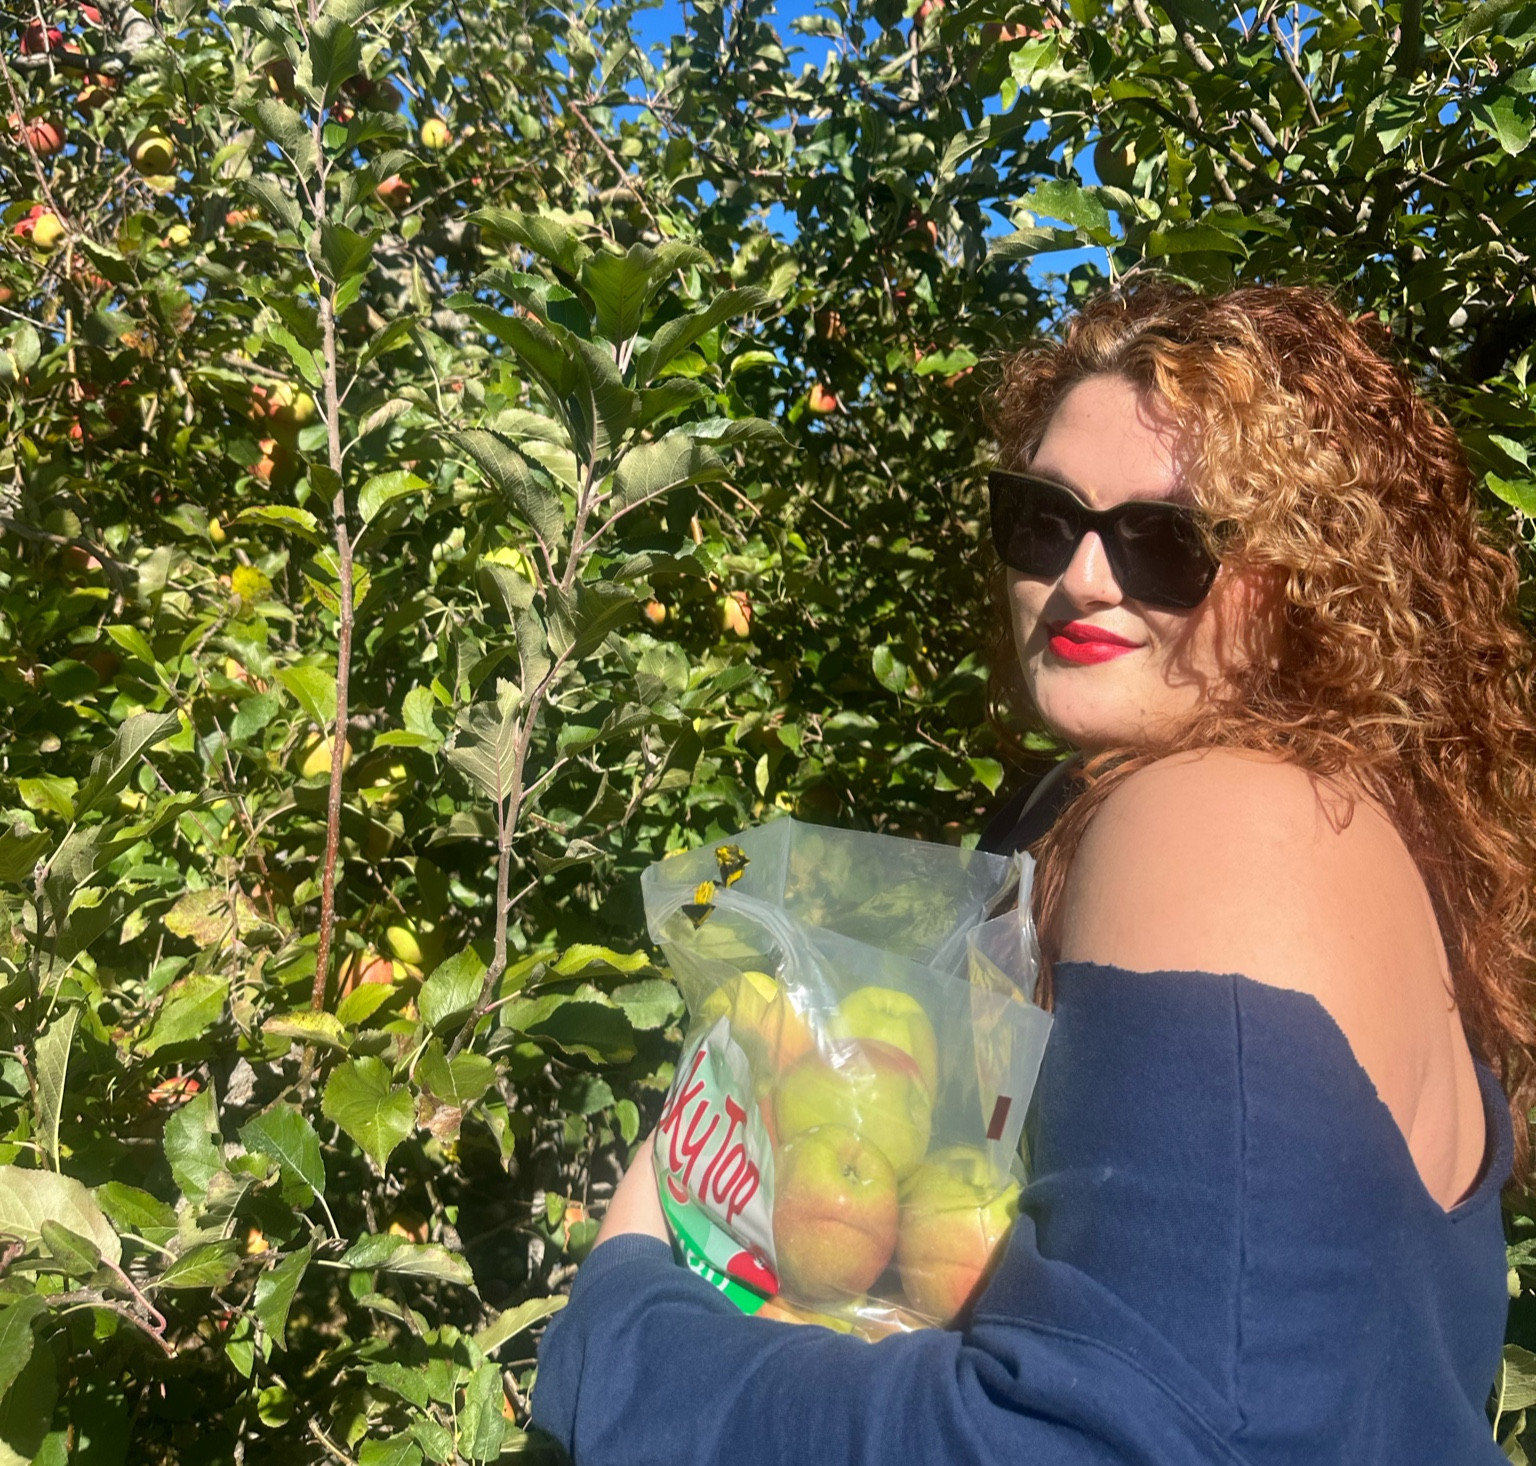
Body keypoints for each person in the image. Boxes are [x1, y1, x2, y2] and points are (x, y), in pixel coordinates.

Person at [529, 283, 1536, 1464]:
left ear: (1310, 578)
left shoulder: (1218, 814)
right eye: (1044, 519)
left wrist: (627, 1318)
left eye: (1170, 540)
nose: (1086, 577)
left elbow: (1111, 1440)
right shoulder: (1321, 821)